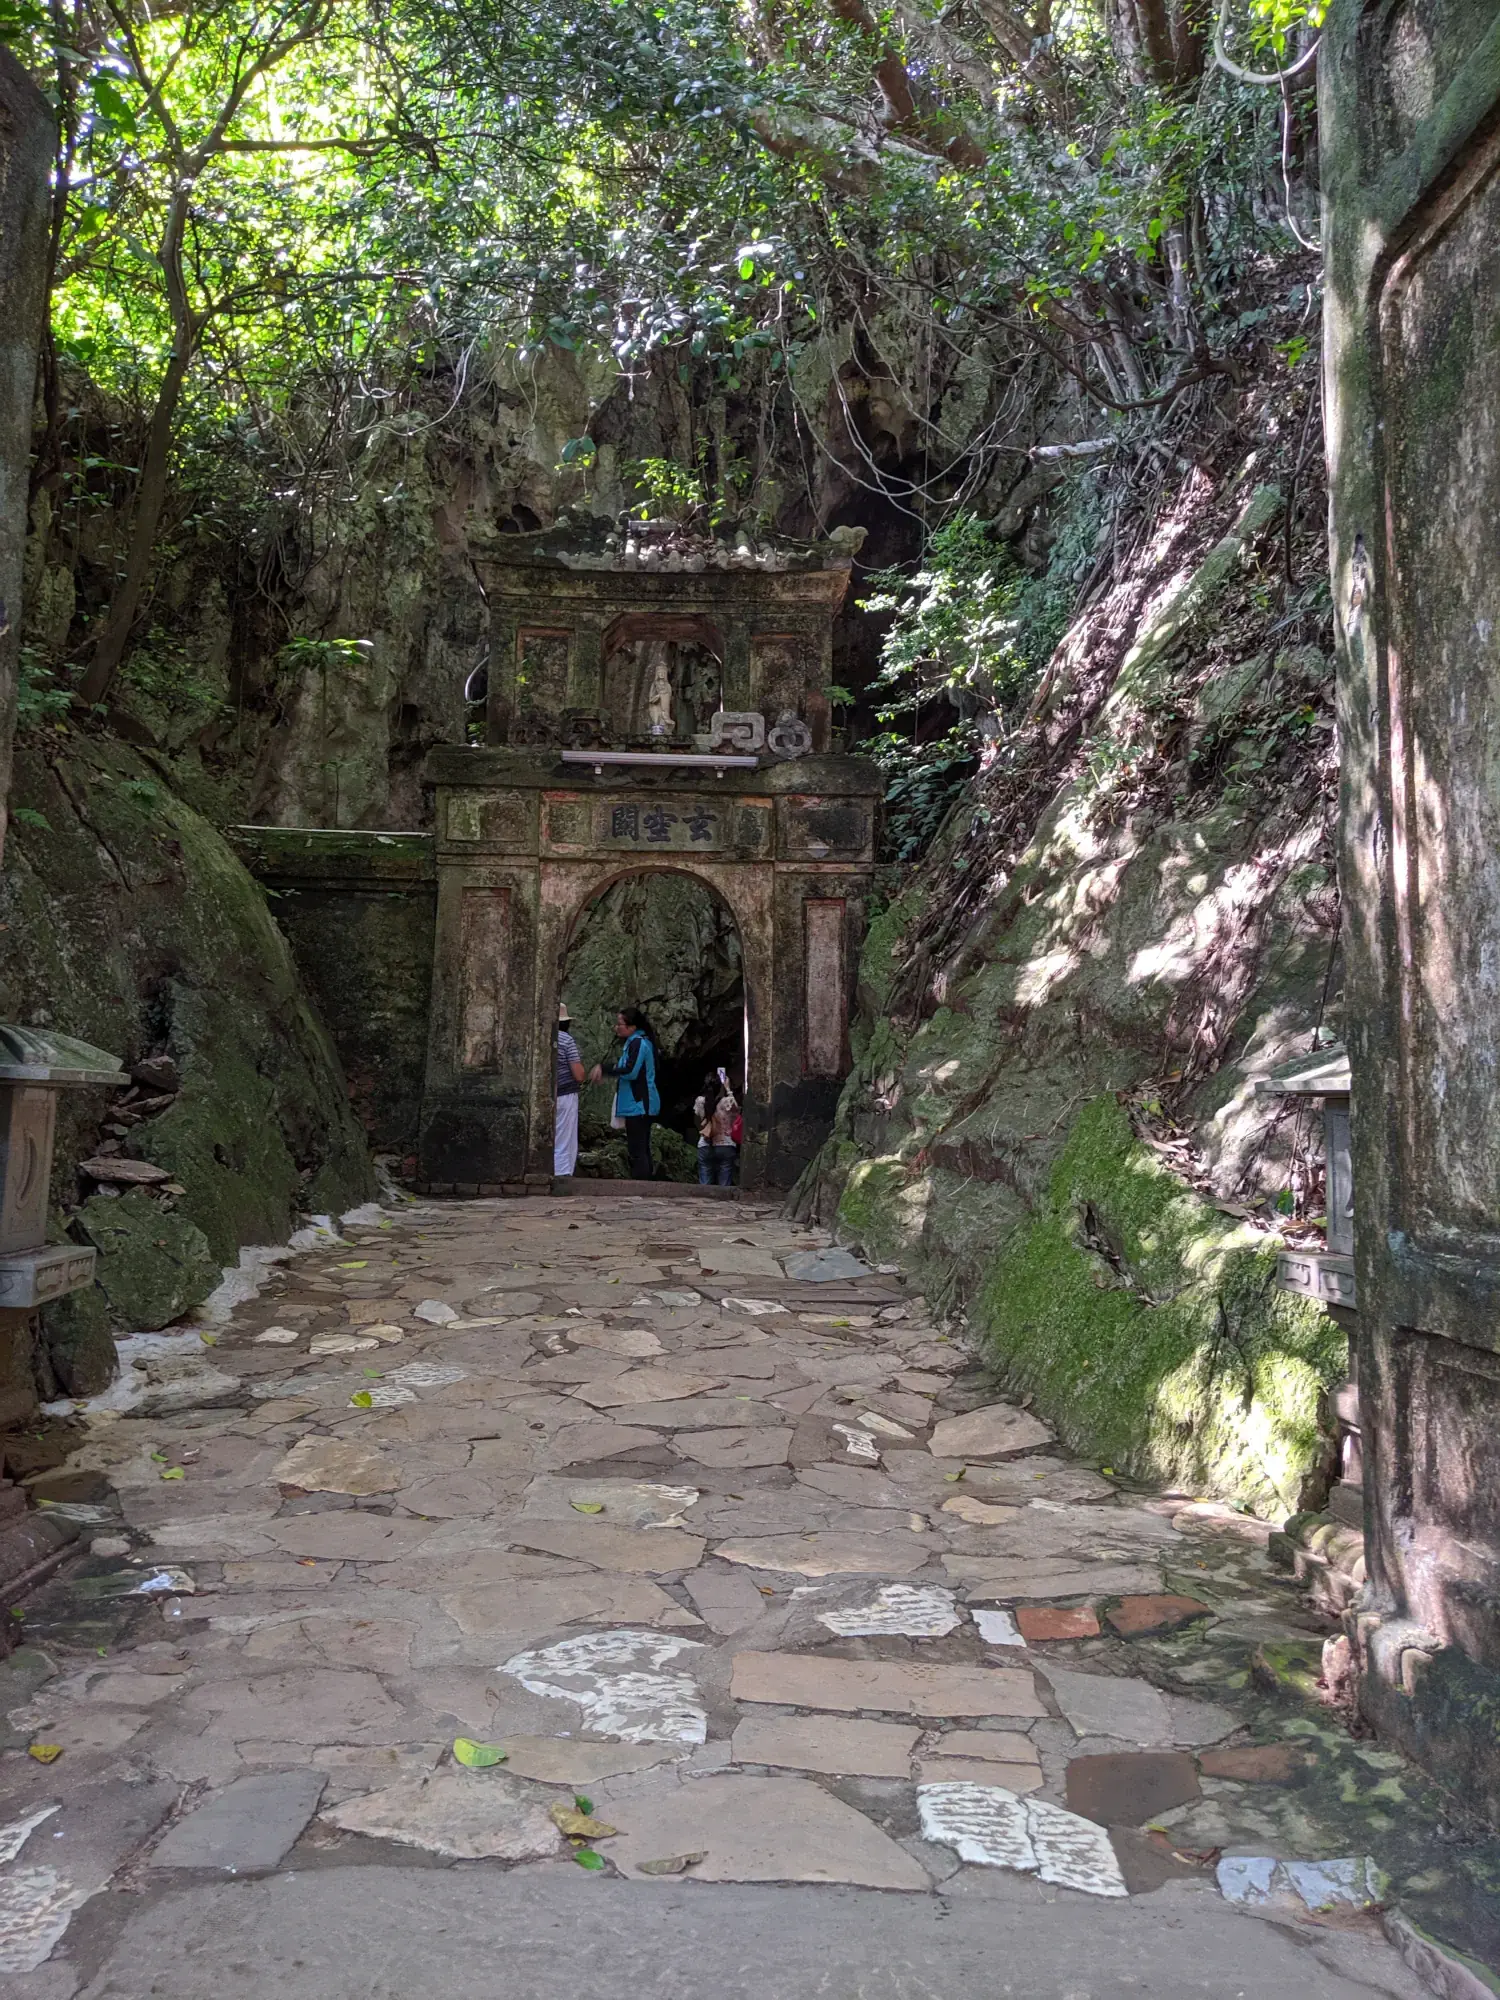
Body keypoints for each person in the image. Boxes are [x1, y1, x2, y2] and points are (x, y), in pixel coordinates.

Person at [589, 1007, 659, 1180]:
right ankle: (647, 1187)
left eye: (620, 1024)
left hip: (639, 1103)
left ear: (632, 1027)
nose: (616, 1027)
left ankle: (641, 1187)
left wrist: (605, 1069)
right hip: (639, 1103)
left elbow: (631, 1071)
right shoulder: (637, 1042)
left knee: (637, 1150)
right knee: (641, 1148)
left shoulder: (638, 1043)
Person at [553, 1001, 586, 1178]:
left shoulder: (541, 1038)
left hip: (547, 1095)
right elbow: (579, 1074)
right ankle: (561, 1173)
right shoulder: (566, 1040)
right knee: (564, 1137)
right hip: (565, 1095)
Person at [694, 1067, 739, 1186]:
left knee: (705, 1183)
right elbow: (736, 1109)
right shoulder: (726, 1102)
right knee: (724, 1185)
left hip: (705, 1144)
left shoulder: (700, 1101)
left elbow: (698, 1121)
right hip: (725, 1145)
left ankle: (704, 1202)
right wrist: (728, 1089)